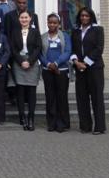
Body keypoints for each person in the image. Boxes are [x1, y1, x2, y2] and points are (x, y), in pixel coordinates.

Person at [71, 7, 106, 135]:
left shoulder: (98, 29)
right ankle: (85, 126)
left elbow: (99, 48)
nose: (84, 18)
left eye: (86, 16)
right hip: (80, 69)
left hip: (95, 69)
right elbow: (73, 50)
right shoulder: (75, 31)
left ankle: (99, 127)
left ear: (91, 17)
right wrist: (76, 62)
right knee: (82, 98)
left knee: (97, 98)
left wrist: (85, 62)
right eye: (82, 16)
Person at [9, 10, 42, 131]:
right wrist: (21, 61)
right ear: (19, 19)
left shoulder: (35, 32)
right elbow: (12, 49)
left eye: (26, 17)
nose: (24, 19)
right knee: (20, 91)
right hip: (19, 63)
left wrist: (30, 61)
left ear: (30, 19)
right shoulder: (14, 32)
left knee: (31, 91)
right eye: (22, 17)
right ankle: (22, 117)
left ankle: (31, 118)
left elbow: (38, 48)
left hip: (32, 64)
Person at [40, 13, 71, 132]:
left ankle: (62, 123)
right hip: (47, 71)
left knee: (61, 97)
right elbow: (40, 53)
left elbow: (67, 51)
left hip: (61, 71)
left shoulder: (65, 36)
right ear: (47, 23)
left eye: (54, 22)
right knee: (50, 97)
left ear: (59, 24)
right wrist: (48, 64)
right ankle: (51, 123)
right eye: (50, 22)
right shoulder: (43, 36)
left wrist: (56, 63)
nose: (52, 24)